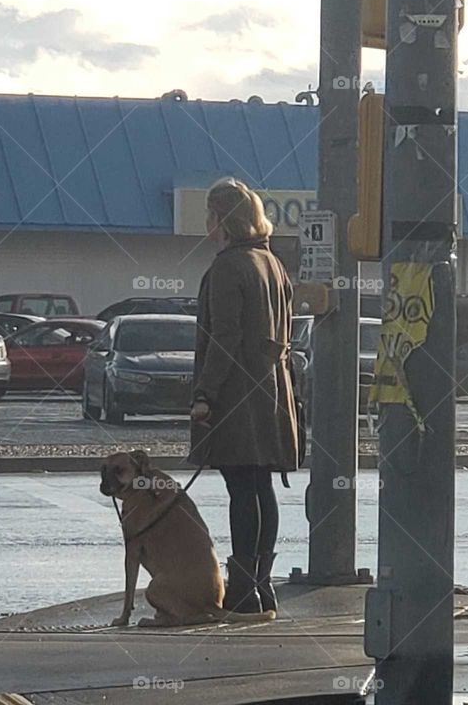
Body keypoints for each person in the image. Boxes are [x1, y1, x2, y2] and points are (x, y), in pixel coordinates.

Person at [189, 178, 300, 614]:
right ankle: (261, 585)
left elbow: (224, 338)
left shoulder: (227, 266)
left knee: (241, 487)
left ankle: (241, 590)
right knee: (261, 486)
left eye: (210, 213)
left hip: (237, 394)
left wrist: (205, 394)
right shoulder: (272, 263)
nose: (207, 222)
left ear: (222, 218)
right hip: (272, 391)